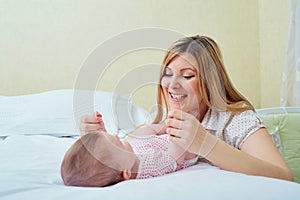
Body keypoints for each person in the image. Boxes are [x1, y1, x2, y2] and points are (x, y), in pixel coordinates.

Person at [80, 35, 293, 181]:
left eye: (187, 75)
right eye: (167, 73)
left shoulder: (237, 120)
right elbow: (133, 149)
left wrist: (206, 144)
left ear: (210, 82)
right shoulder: (163, 116)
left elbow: (284, 177)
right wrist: (101, 141)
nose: (172, 85)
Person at [61, 129, 198, 187]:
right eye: (119, 143)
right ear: (125, 173)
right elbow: (174, 157)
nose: (116, 136)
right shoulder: (150, 167)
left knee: (142, 133)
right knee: (191, 145)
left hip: (154, 142)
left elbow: (139, 139)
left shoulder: (126, 158)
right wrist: (177, 131)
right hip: (182, 150)